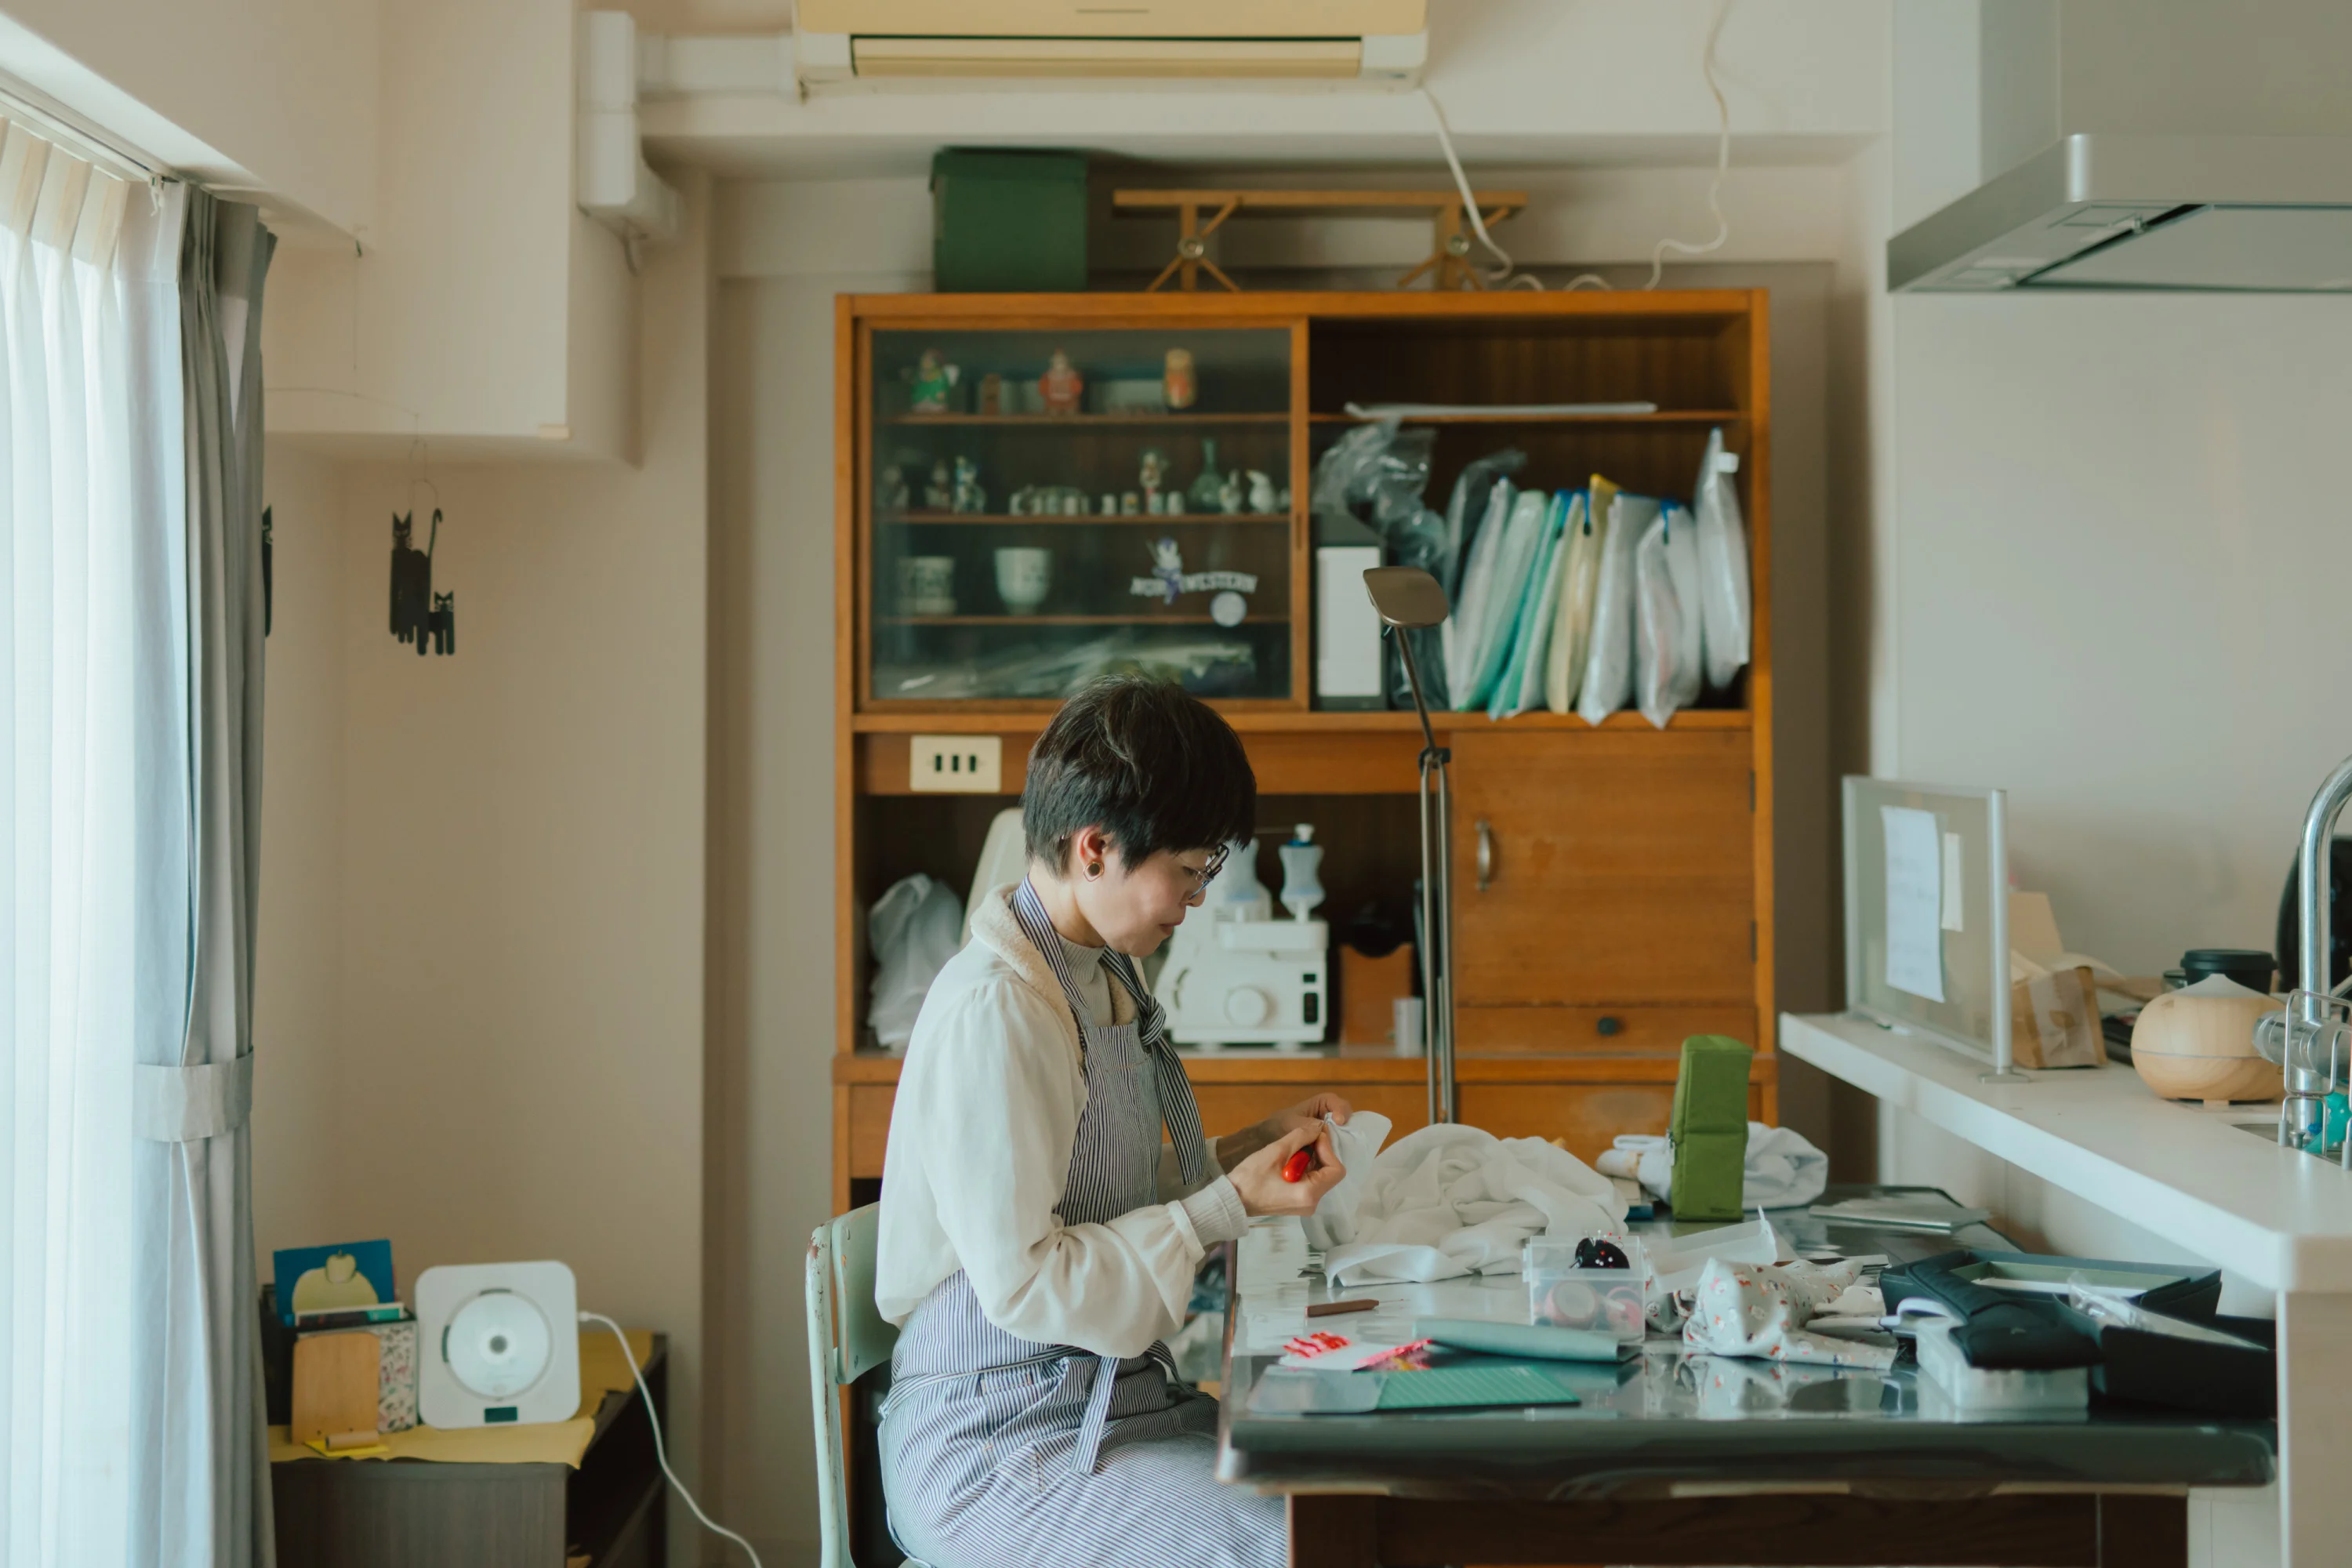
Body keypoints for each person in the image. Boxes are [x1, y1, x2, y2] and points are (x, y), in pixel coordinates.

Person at [875, 674, 1352, 1568]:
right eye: (1190, 868)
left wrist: (1249, 1151)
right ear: (1095, 847)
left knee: (1348, 1494)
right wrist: (1227, 1205)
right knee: (1305, 1542)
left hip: (1099, 1398)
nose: (1198, 896)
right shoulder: (999, 1009)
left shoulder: (1095, 972)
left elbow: (1103, 1190)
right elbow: (1028, 1283)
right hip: (997, 1440)